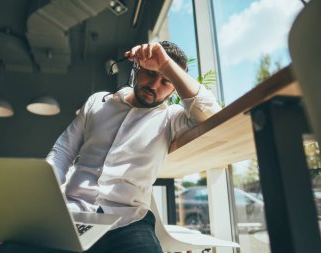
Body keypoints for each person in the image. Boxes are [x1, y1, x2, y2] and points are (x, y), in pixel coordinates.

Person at [46, 41, 221, 253]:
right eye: (150, 73)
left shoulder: (171, 118)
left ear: (174, 88)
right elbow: (63, 151)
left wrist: (165, 64)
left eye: (166, 81)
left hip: (128, 221)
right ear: (137, 67)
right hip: (74, 211)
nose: (154, 85)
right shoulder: (97, 102)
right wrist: (46, 195)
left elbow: (212, 116)